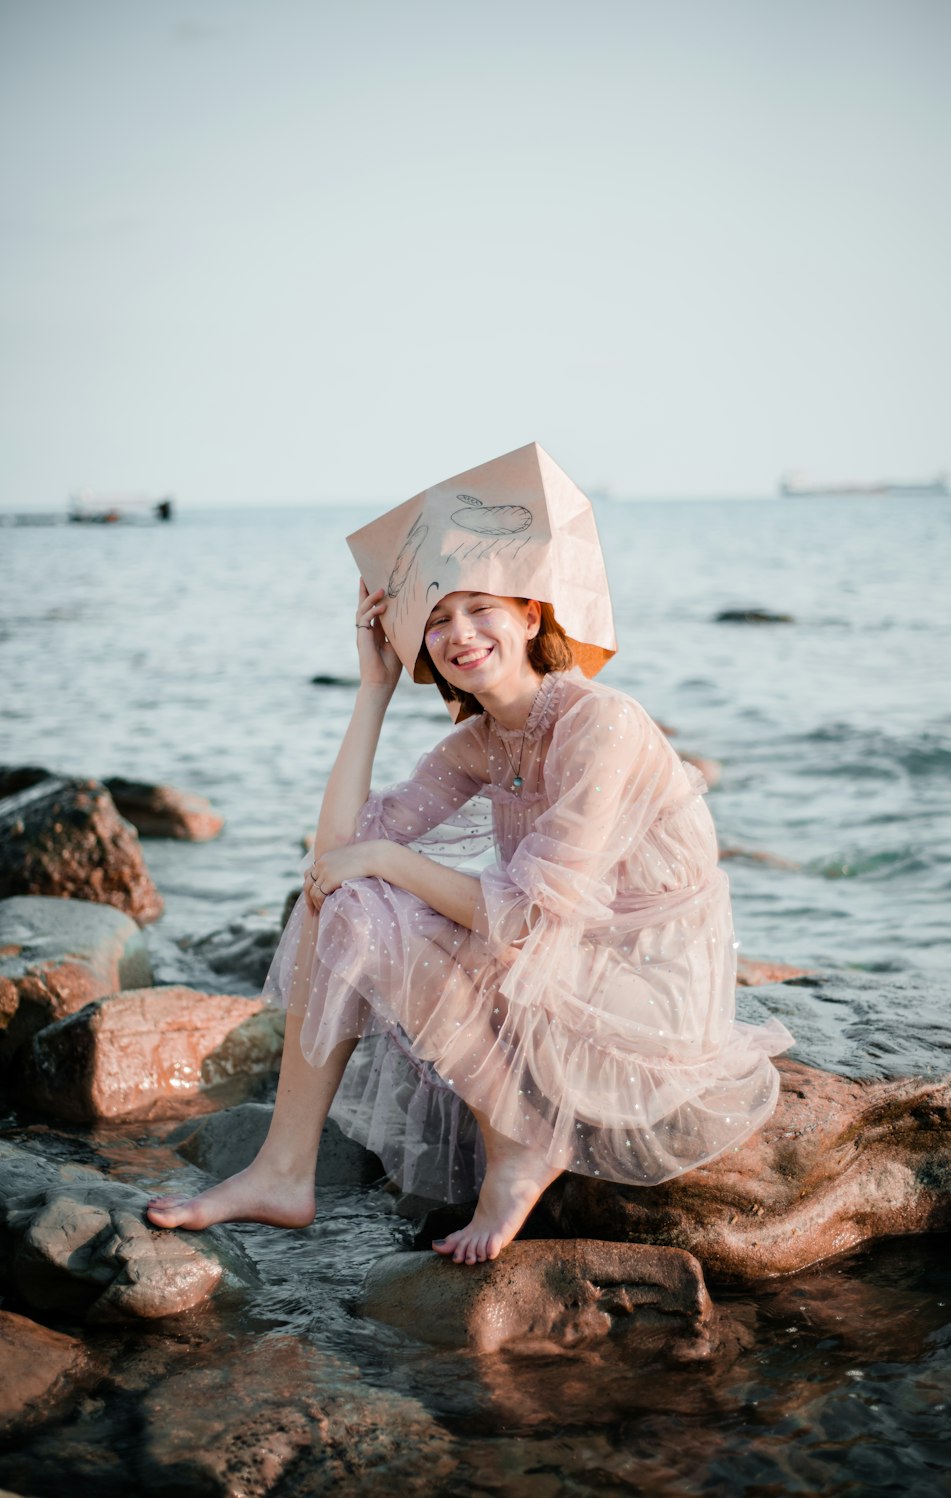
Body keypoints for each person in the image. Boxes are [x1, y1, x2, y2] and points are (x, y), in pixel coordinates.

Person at [147, 444, 792, 1264]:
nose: (458, 634)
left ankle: (517, 1146)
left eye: (480, 608)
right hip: (561, 963)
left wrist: (380, 862)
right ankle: (283, 1169)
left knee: (375, 886)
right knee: (348, 896)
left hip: (644, 987)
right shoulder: (481, 744)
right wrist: (372, 692)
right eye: (438, 620)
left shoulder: (601, 723)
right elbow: (332, 861)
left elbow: (520, 914)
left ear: (530, 615)